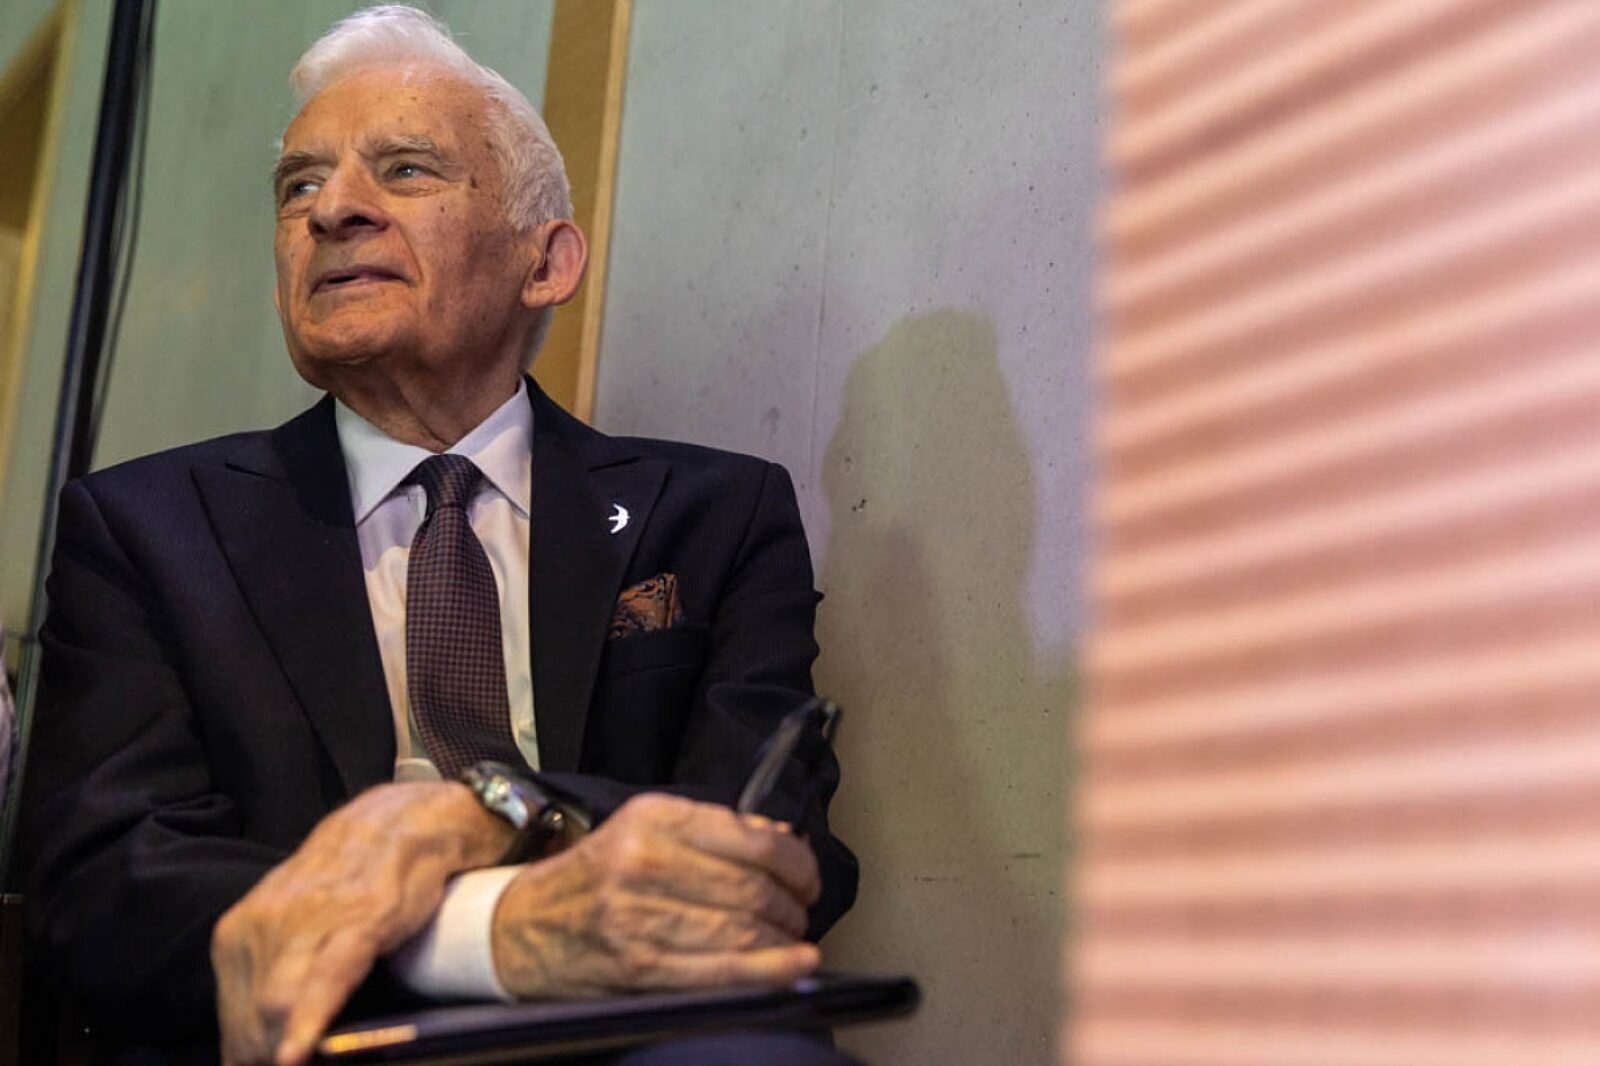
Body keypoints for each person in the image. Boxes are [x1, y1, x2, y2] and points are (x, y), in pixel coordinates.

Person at [20, 7, 857, 1065]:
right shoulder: (146, 530)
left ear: (544, 263)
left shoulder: (715, 515)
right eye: (298, 187)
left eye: (405, 170)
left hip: (635, 1027)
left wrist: (489, 815)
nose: (332, 210)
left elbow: (766, 833)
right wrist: (477, 935)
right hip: (318, 1027)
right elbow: (105, 875)